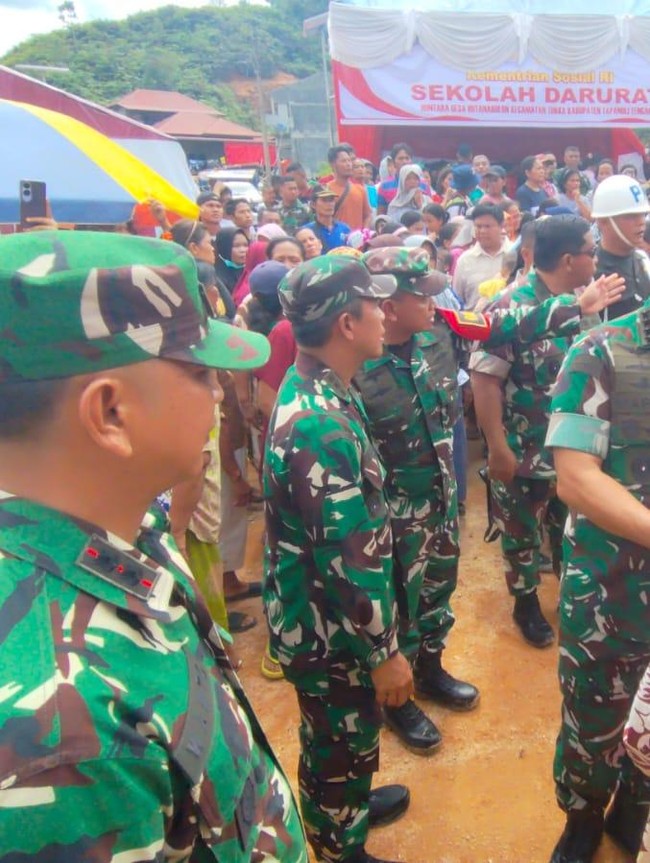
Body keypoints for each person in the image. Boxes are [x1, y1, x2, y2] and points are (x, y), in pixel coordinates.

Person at [0, 230, 308, 861]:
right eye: (198, 373)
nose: (220, 393)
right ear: (110, 413)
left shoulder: (120, 527)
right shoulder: (60, 744)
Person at [264, 256, 413, 863]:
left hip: (325, 622)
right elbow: (349, 562)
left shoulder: (321, 388)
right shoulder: (320, 423)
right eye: (375, 305)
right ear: (348, 325)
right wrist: (385, 654)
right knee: (337, 738)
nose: (386, 313)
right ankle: (336, 840)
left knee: (339, 735)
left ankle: (344, 803)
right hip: (331, 633)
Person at [470, 216, 622, 649]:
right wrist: (497, 448)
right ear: (570, 259)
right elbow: (485, 383)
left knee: (569, 528)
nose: (597, 256)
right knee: (521, 533)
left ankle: (568, 594)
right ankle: (525, 603)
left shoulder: (585, 299)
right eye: (591, 250)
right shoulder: (510, 308)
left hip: (573, 453)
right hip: (524, 450)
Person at [545, 252, 650, 863]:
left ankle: (634, 808)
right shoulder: (602, 350)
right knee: (592, 722)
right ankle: (581, 819)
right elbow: (576, 480)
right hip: (609, 594)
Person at [354, 248, 480, 755]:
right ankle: (397, 700)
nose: (433, 300)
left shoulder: (438, 337)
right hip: (390, 517)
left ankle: (430, 670)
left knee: (436, 595)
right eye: (420, 293)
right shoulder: (357, 364)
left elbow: (503, 326)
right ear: (387, 302)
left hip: (440, 499)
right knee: (397, 607)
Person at [592, 173, 650, 319]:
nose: (641, 222)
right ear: (603, 221)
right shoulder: (591, 273)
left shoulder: (642, 258)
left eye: (643, 214)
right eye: (630, 216)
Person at [171, 218, 236, 320]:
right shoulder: (204, 270)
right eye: (209, 243)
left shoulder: (175, 269)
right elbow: (214, 315)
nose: (212, 248)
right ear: (194, 248)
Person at [452, 204, 509, 310]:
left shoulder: (514, 255)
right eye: (478, 226)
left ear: (502, 226)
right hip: (475, 323)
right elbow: (457, 300)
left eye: (487, 226)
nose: (482, 231)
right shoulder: (465, 260)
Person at [326, 144, 371, 230]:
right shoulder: (327, 190)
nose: (348, 164)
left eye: (349, 161)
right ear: (333, 164)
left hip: (357, 241)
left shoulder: (360, 190)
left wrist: (364, 232)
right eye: (343, 161)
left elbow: (367, 215)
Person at [304, 184, 351, 253]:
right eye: (324, 200)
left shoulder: (344, 228)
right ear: (313, 205)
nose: (329, 204)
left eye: (331, 200)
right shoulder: (307, 231)